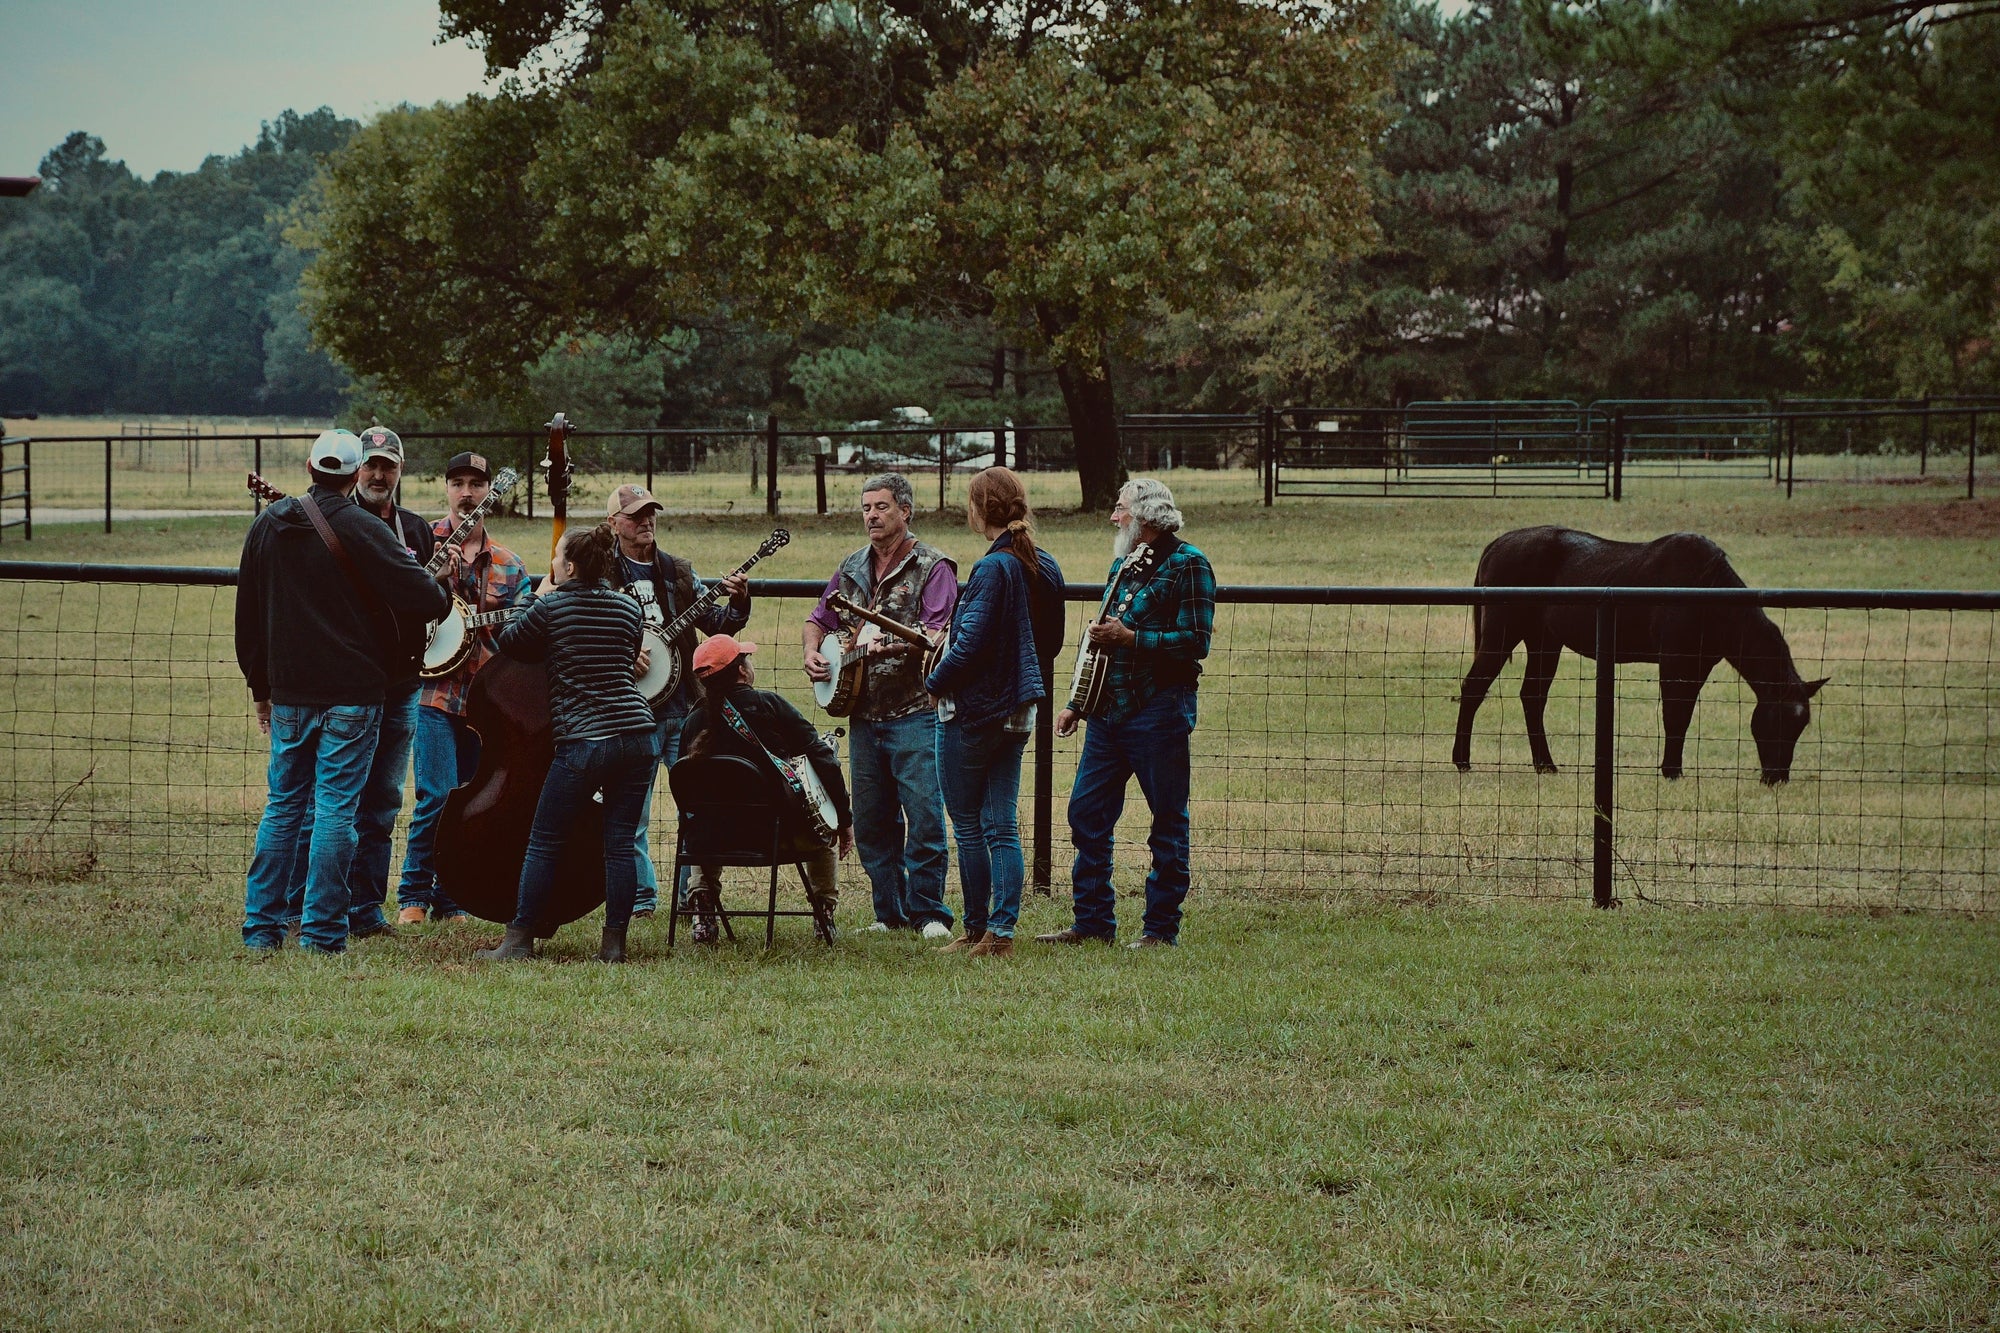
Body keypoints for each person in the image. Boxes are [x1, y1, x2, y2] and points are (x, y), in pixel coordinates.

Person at [234, 428, 453, 953]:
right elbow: (427, 600)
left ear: (310, 469)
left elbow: (248, 614)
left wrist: (260, 686)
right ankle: (323, 932)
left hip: (290, 691)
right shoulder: (365, 527)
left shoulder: (268, 524)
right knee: (336, 809)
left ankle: (262, 929)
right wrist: (441, 583)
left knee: (283, 807)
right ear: (355, 476)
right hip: (354, 691)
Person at [1037, 477, 1215, 950]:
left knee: (1166, 822)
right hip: (1107, 714)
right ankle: (1093, 922)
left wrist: (1132, 639)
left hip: (1159, 709)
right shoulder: (1124, 564)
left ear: (1146, 517)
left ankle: (1160, 930)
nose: (1113, 517)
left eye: (1121, 509)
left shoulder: (1189, 564)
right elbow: (1100, 640)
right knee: (1086, 814)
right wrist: (1077, 703)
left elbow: (1196, 641)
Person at [474, 524, 659, 963]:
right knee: (619, 842)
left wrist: (535, 596)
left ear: (570, 567)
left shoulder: (551, 606)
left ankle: (519, 940)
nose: (553, 563)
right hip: (638, 735)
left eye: (557, 556)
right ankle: (613, 945)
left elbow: (510, 642)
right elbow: (625, 653)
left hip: (585, 739)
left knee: (545, 839)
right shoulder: (627, 607)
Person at [283, 425, 437, 938]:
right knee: (324, 804)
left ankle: (365, 910)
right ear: (354, 471)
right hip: (346, 688)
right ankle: (303, 907)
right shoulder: (330, 523)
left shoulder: (415, 530)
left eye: (387, 466)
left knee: (383, 802)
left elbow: (423, 600)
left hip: (401, 685)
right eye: (370, 465)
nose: (378, 475)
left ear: (400, 471)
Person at [802, 472, 959, 940]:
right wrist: (811, 652)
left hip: (915, 711)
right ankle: (888, 913)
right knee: (872, 821)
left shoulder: (933, 567)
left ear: (905, 511)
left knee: (924, 816)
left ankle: (929, 913)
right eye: (866, 508)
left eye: (882, 507)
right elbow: (817, 619)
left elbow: (937, 634)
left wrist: (886, 644)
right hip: (863, 715)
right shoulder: (851, 566)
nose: (871, 515)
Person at [927, 468, 1065, 958]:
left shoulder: (991, 568)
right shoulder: (1044, 565)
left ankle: (977, 927)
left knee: (968, 824)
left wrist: (934, 682)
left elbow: (968, 646)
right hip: (1018, 711)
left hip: (974, 711)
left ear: (979, 510)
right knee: (1002, 825)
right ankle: (1000, 933)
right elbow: (1051, 643)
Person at [394, 451, 531, 924]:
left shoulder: (510, 565)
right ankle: (413, 894)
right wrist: (432, 582)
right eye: (458, 484)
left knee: (473, 799)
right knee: (435, 795)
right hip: (433, 694)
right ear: (447, 489)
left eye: (476, 484)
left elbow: (525, 630)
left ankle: (451, 897)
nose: (467, 493)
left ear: (490, 492)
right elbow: (395, 610)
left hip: (484, 704)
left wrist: (524, 617)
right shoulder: (417, 546)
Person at [604, 483, 751, 921]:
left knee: (699, 807)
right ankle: (641, 898)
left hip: (684, 710)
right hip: (631, 712)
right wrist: (622, 652)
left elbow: (719, 624)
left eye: (650, 512)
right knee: (631, 813)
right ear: (613, 524)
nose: (645, 521)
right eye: (635, 515)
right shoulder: (602, 573)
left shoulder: (678, 571)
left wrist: (739, 600)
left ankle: (694, 896)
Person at [677, 635, 855, 945]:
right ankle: (823, 913)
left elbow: (687, 793)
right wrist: (843, 818)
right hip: (776, 837)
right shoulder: (770, 706)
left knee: (704, 822)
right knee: (823, 832)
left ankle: (703, 910)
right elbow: (823, 759)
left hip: (714, 841)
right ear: (742, 671)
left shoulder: (693, 722)